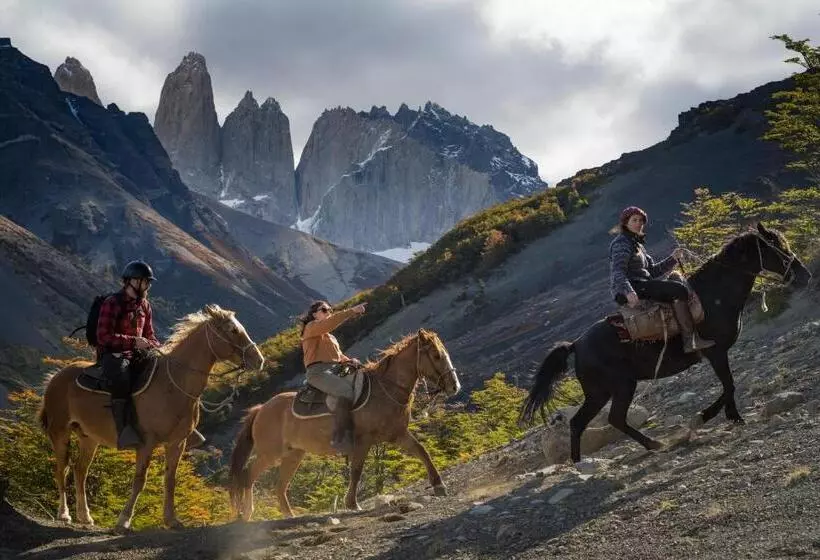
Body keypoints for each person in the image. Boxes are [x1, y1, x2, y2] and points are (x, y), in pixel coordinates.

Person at [609, 206, 714, 353]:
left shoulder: (637, 244)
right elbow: (618, 271)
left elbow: (653, 271)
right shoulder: (621, 243)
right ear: (625, 223)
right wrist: (629, 291)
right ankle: (690, 341)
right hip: (633, 287)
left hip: (643, 284)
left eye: (641, 221)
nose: (638, 223)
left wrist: (673, 259)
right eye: (634, 220)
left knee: (675, 284)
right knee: (679, 290)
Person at [96, 260, 161, 449]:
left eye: (148, 282)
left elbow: (150, 334)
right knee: (122, 378)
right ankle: (124, 431)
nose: (147, 286)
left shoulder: (145, 306)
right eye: (144, 281)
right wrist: (132, 342)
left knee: (162, 371)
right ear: (131, 281)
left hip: (138, 354)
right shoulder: (112, 303)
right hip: (114, 355)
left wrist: (156, 346)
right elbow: (103, 337)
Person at [300, 300, 367, 454]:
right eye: (324, 310)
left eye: (329, 310)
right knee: (345, 391)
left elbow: (338, 356)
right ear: (314, 314)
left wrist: (350, 360)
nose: (328, 312)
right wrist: (352, 311)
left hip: (336, 369)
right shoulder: (310, 328)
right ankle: (340, 440)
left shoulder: (330, 337)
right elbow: (330, 323)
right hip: (317, 372)